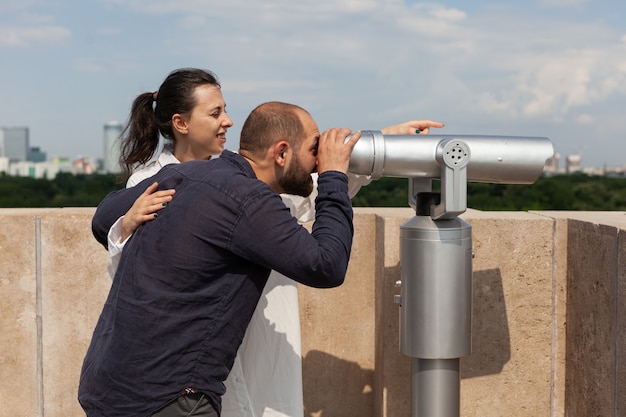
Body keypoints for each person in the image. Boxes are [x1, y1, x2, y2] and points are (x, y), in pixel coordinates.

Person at [104, 69, 444, 417]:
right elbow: (127, 262)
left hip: (247, 348)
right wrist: (123, 223)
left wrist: (382, 142)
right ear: (181, 122)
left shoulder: (246, 180)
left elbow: (307, 189)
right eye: (215, 113)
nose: (228, 121)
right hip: (180, 364)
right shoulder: (153, 183)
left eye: (226, 109)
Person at [79, 101, 362, 416]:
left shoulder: (183, 173)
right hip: (169, 399)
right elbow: (326, 266)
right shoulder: (250, 200)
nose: (317, 162)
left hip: (108, 387)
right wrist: (334, 176)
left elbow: (103, 219)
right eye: (314, 149)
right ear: (281, 153)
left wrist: (130, 218)